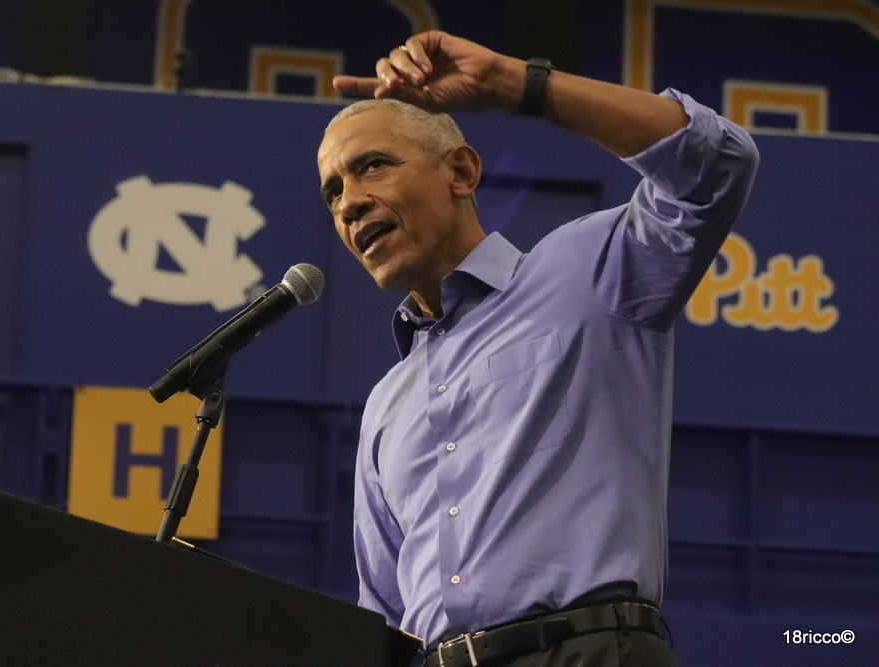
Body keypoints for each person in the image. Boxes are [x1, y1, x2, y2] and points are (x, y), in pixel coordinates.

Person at [317, 31, 758, 667]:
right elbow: (382, 617)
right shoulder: (387, 404)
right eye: (333, 191)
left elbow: (715, 167)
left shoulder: (584, 274)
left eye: (373, 166)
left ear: (462, 172)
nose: (350, 203)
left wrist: (513, 84)